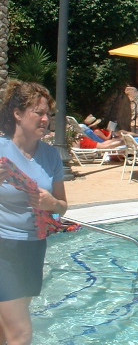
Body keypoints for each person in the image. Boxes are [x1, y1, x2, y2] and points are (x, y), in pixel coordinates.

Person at [0, 81, 67, 345]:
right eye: (38, 112)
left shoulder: (51, 157)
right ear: (17, 114)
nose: (45, 119)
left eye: (48, 114)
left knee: (6, 331)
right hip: (2, 247)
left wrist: (52, 203)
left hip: (33, 246)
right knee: (21, 333)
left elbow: (63, 205)